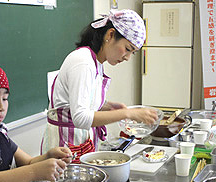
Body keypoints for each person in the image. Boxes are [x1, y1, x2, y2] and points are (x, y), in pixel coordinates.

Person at [41, 9, 158, 162]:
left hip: (78, 141)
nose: (128, 57)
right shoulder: (83, 62)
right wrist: (128, 114)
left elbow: (81, 101)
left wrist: (109, 106)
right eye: (128, 49)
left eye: (133, 53)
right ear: (110, 35)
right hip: (64, 145)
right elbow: (80, 118)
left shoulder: (96, 62)